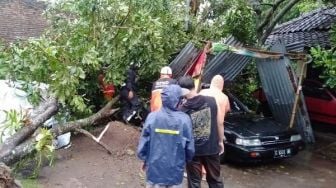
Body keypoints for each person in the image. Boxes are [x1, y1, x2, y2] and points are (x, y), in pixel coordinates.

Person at [137, 84, 195, 188]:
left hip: (154, 170)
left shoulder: (152, 117)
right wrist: (185, 160)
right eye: (181, 98)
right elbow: (190, 149)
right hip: (175, 171)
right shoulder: (184, 120)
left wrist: (144, 159)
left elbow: (144, 142)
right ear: (177, 101)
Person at [178, 76, 224, 188]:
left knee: (194, 182)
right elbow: (220, 123)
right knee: (215, 180)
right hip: (212, 148)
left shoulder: (182, 110)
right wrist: (220, 141)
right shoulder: (212, 101)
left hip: (193, 151)